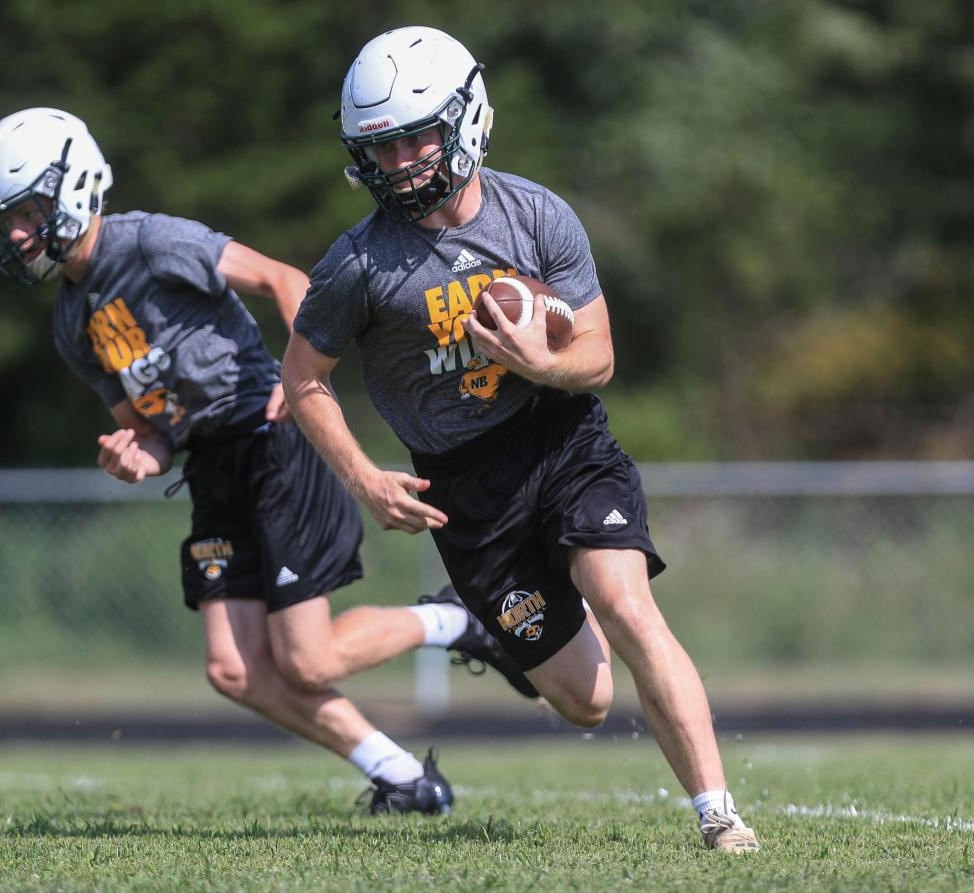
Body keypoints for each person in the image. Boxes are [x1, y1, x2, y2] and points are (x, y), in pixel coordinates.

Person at [0, 106, 537, 815]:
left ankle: (464, 621)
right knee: (233, 668)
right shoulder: (70, 322)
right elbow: (149, 431)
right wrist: (134, 455)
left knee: (309, 660)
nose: (17, 235)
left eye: (24, 212)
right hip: (211, 464)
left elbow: (283, 277)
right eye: (3, 223)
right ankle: (403, 778)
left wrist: (301, 384)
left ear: (73, 184)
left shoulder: (148, 242)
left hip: (271, 441)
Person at [282, 28, 760, 851]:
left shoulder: (537, 214)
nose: (397, 163)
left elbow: (600, 354)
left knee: (625, 601)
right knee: (586, 701)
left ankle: (719, 814)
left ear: (466, 120)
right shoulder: (357, 264)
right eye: (379, 147)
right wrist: (364, 478)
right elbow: (302, 378)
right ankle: (465, 625)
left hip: (561, 439)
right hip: (468, 488)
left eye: (414, 138)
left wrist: (544, 360)